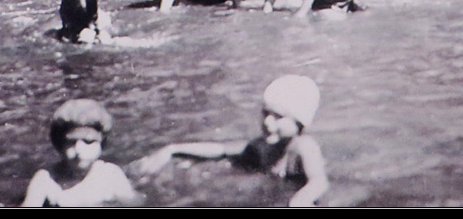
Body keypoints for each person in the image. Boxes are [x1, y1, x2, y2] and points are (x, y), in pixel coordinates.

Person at [136, 74, 328, 207]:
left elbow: (319, 181)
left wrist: (301, 200)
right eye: (265, 113)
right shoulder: (263, 144)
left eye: (278, 116)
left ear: (300, 123)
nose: (267, 122)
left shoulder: (304, 146)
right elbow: (222, 149)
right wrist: (173, 149)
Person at [22, 99, 143, 207]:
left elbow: (136, 203)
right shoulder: (46, 179)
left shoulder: (110, 175)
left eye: (88, 142)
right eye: (71, 142)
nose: (79, 150)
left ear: (102, 144)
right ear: (59, 144)